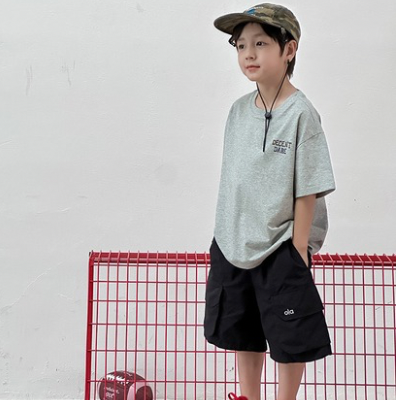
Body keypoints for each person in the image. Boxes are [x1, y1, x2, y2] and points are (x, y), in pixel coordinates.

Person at [204, 4, 336, 400]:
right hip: (233, 242)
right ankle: (248, 396)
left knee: (289, 334)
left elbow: (308, 186)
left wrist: (299, 247)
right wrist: (225, 233)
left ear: (288, 50)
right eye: (241, 45)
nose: (249, 54)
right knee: (243, 330)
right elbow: (233, 181)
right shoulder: (237, 111)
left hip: (281, 244)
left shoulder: (301, 113)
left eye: (260, 44)